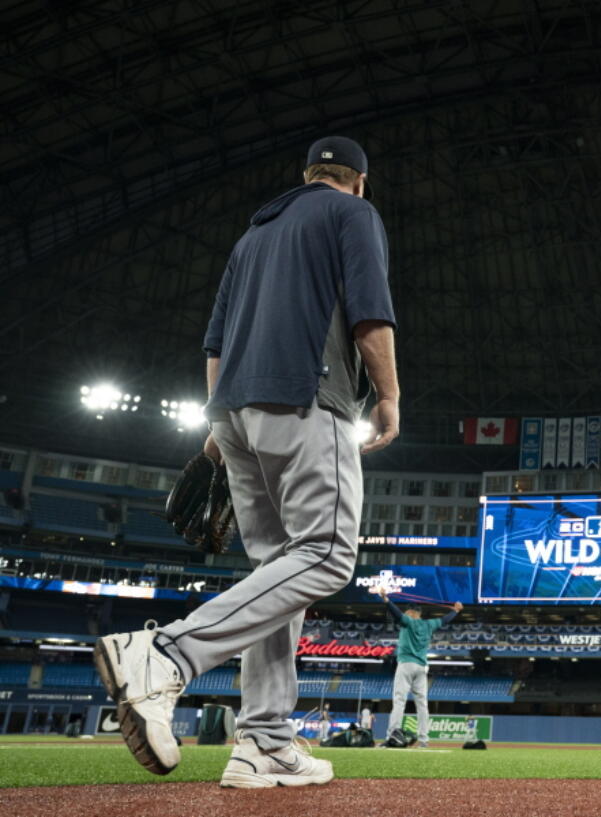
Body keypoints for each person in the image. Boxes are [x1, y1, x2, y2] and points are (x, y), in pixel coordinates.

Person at [92, 135, 399, 788]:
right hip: (307, 399)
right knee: (326, 554)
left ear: (307, 174)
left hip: (232, 410)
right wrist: (391, 396)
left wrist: (218, 426)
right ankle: (167, 653)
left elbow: (214, 342)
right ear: (359, 181)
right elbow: (371, 315)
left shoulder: (251, 236)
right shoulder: (352, 214)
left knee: (278, 574)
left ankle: (263, 739)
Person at [378, 587, 462, 748]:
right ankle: (424, 740)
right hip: (422, 667)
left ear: (413, 613)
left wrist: (386, 599)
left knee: (399, 701)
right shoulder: (429, 624)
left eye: (409, 611)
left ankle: (391, 737)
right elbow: (445, 620)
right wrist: (456, 611)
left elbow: (396, 613)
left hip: (406, 664)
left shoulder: (408, 621)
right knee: (422, 704)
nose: (407, 613)